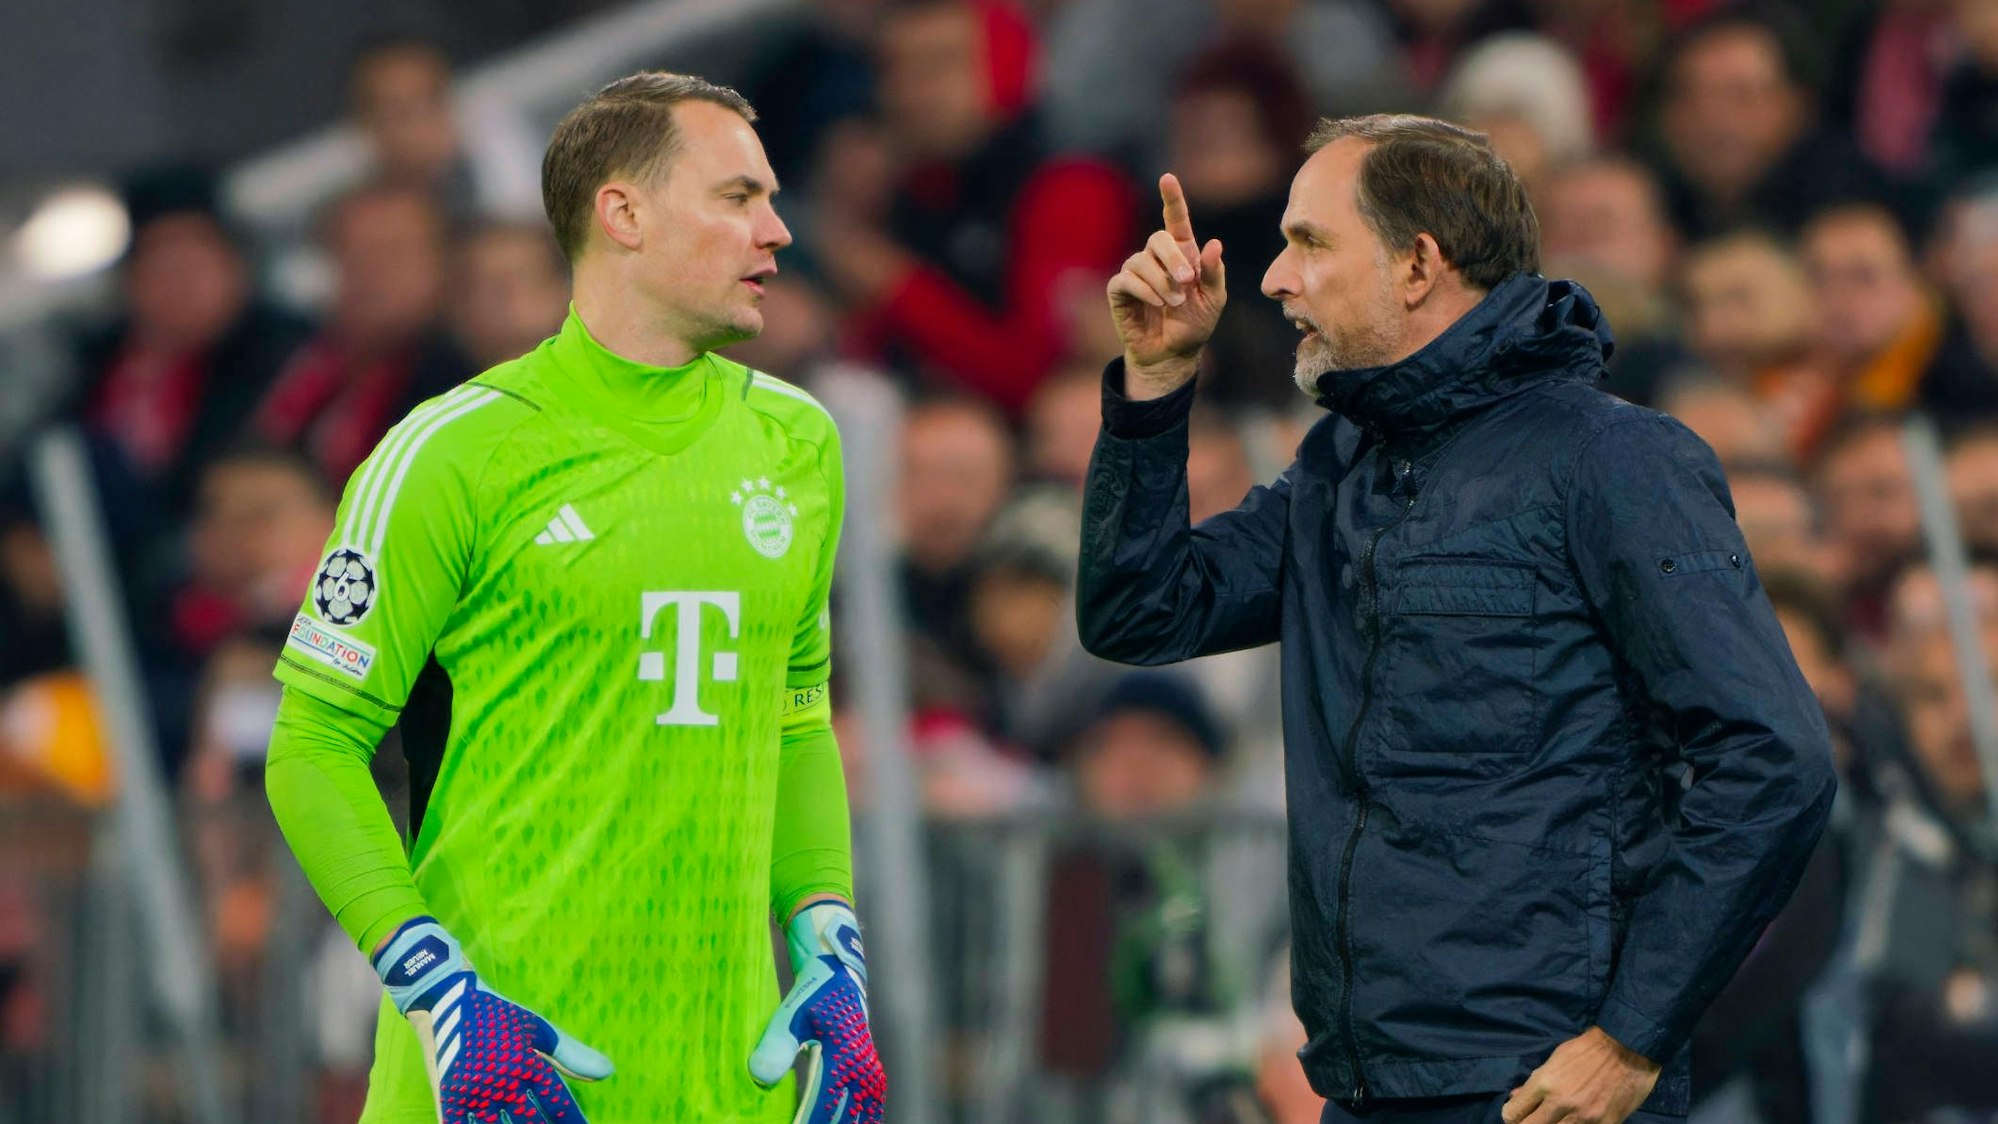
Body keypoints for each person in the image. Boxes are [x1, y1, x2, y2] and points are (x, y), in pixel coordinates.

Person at [1077, 114, 1836, 1123]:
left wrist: (1629, 1039)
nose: (1272, 278)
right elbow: (1142, 608)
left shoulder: (1612, 460)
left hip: (1543, 1089)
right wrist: (1157, 382)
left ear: (1418, 265)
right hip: (1364, 1087)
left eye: (1309, 241)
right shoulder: (1335, 467)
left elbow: (1774, 757)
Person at [262, 73, 884, 1123]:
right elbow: (311, 748)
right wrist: (441, 995)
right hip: (496, 1087)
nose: (778, 231)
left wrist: (835, 952)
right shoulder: (452, 454)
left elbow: (795, 719)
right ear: (623, 213)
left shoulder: (800, 444)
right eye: (738, 197)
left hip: (731, 1087)